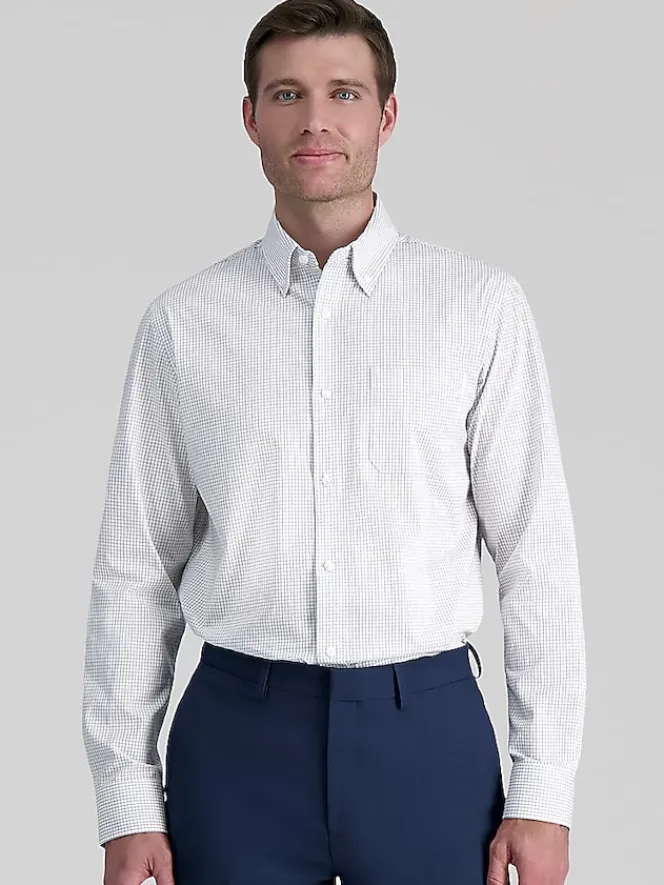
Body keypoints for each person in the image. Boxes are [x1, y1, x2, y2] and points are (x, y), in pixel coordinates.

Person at [81, 1, 586, 883]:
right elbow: (135, 567)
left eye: (344, 92)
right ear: (251, 118)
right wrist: (126, 795)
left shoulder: (478, 307)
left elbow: (536, 555)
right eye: (288, 93)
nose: (316, 119)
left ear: (386, 116)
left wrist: (543, 793)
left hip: (427, 735)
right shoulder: (184, 324)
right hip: (236, 742)